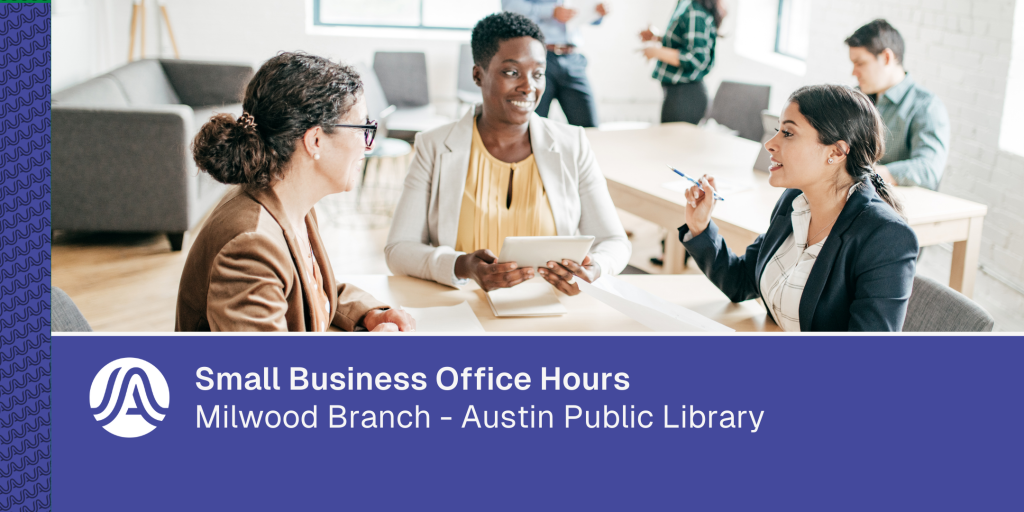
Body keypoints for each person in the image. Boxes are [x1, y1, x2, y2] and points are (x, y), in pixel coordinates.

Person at [385, 12, 630, 296]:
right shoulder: (434, 146)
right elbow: (398, 250)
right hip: (463, 310)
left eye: (538, 74)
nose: (529, 87)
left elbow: (614, 242)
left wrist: (595, 268)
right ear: (478, 75)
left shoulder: (571, 144)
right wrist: (462, 265)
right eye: (511, 72)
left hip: (549, 310)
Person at [176, 52, 415, 332]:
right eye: (362, 128)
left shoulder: (288, 200)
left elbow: (309, 290)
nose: (368, 145)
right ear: (315, 140)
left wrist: (370, 313)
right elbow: (266, 373)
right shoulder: (250, 245)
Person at [679, 85, 919, 332]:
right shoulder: (794, 201)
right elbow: (741, 281)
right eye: (777, 131)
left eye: (788, 133)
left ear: (836, 152)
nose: (770, 144)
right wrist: (700, 227)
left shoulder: (886, 238)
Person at [846, 19, 950, 190]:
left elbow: (928, 171)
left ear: (887, 57)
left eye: (860, 63)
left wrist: (865, 174)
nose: (854, 72)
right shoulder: (857, 98)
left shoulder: (927, 107)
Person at [502, 0, 609, 127]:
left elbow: (585, 13)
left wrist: (597, 12)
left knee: (589, 127)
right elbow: (510, 7)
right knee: (532, 127)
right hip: (537, 57)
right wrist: (551, 11)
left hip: (572, 57)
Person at [640, 0, 726, 124]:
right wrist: (658, 37)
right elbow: (684, 42)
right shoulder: (685, 3)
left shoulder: (695, 11)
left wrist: (656, 52)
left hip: (686, 95)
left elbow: (696, 58)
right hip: (676, 92)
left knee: (670, 141)